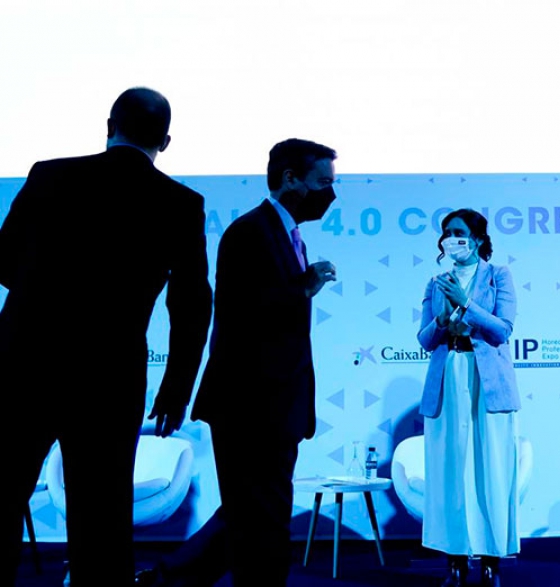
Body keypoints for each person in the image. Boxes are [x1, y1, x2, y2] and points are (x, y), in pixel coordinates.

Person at [0, 87, 213, 585]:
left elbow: (4, 262)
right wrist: (176, 388)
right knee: (102, 517)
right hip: (110, 376)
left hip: (23, 364)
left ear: (109, 126)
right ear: (166, 141)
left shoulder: (49, 175)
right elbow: (191, 306)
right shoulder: (181, 203)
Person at [135, 138, 337, 587]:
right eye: (323, 182)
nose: (330, 194)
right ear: (290, 178)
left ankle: (167, 579)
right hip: (251, 404)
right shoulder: (249, 232)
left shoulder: (288, 234)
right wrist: (303, 287)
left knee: (251, 513)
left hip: (278, 405)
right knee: (261, 520)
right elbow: (240, 311)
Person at [417, 209, 521, 587]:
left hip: (487, 378)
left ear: (477, 238)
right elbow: (425, 339)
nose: (451, 239)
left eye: (459, 232)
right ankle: (456, 561)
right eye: (446, 233)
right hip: (449, 375)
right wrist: (442, 320)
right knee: (450, 470)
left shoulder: (498, 275)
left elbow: (502, 330)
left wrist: (467, 304)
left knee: (491, 468)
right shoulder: (436, 282)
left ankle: (491, 561)